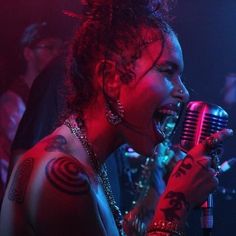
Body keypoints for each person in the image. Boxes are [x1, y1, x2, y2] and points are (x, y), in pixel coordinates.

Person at [0, 1, 232, 236]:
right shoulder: (61, 173)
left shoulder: (89, 161)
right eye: (167, 71)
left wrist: (165, 185)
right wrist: (177, 203)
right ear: (110, 78)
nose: (184, 92)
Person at [0, 22, 65, 197]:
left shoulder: (49, 94)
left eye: (60, 48)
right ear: (28, 53)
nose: (56, 53)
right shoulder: (12, 105)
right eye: (49, 47)